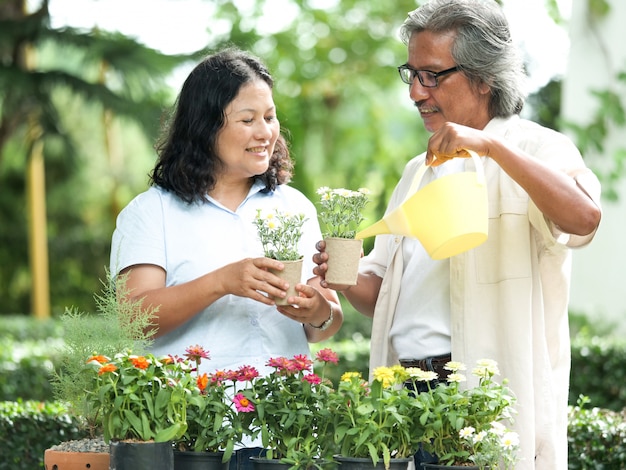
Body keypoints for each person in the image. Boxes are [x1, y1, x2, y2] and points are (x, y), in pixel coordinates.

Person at [313, 0, 602, 468]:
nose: (415, 94)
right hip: (407, 397)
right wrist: (344, 275)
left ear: (484, 76)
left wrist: (490, 146)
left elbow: (584, 219)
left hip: (483, 403)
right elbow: (383, 292)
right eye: (411, 75)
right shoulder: (416, 171)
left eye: (432, 75)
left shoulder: (536, 147)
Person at [109, 48, 343, 470]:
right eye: (247, 119)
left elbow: (326, 323)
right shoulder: (152, 212)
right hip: (193, 435)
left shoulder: (295, 207)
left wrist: (315, 310)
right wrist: (223, 282)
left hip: (286, 432)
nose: (265, 132)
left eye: (269, 117)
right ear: (204, 127)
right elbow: (133, 317)